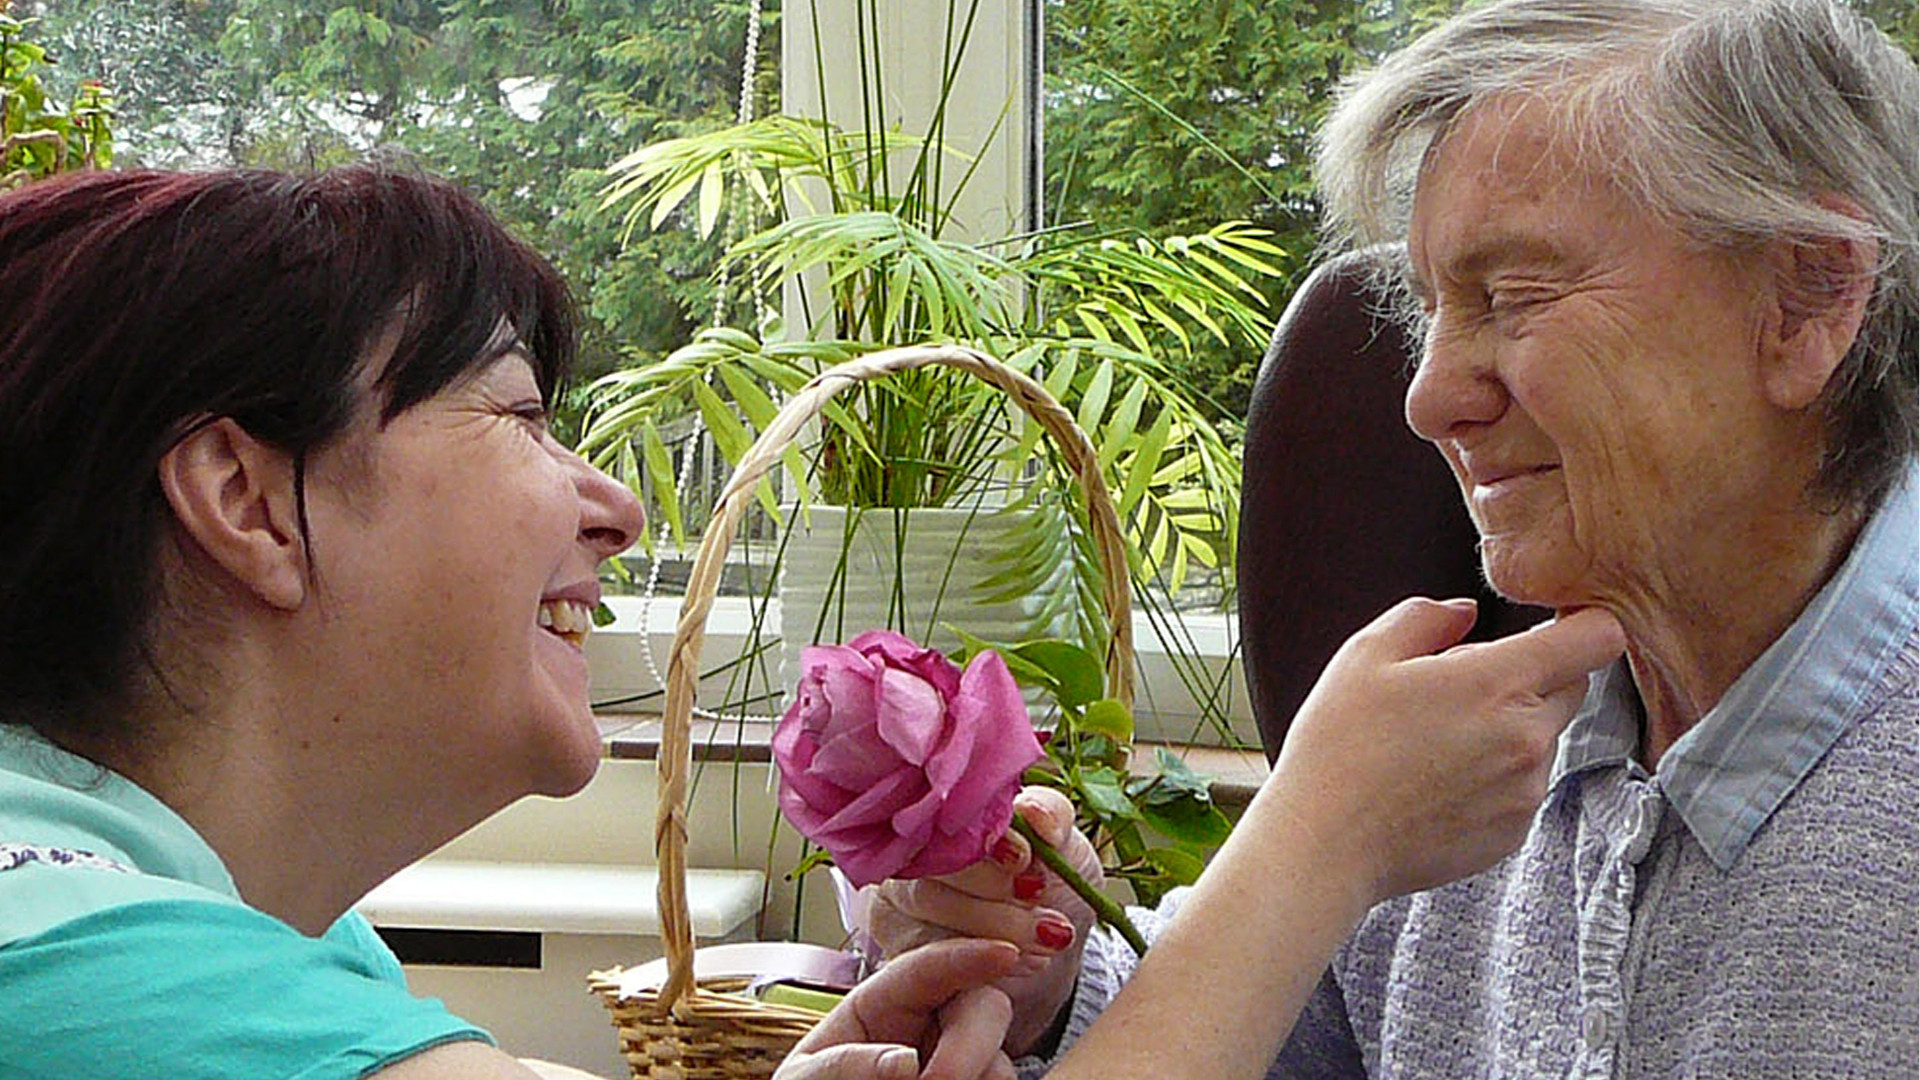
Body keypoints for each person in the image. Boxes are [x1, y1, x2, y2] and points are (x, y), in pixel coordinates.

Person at [862, 0, 1919, 1076]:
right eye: (1432, 308)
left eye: (1514, 296)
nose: (1428, 398)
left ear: (1809, 298)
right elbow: (1285, 1036)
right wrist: (1048, 992)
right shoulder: (1468, 749)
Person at [0, 165, 1025, 1080]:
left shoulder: (237, 934)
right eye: (522, 416)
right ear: (245, 499)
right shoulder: (100, 975)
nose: (616, 510)